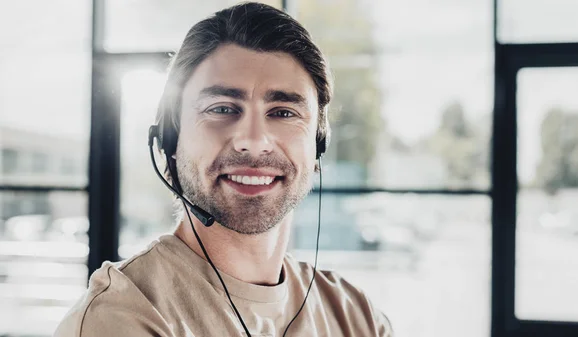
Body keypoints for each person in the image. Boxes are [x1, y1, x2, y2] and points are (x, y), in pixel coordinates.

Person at [55, 2, 393, 336]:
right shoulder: (120, 318)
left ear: (318, 143)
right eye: (222, 108)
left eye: (283, 112)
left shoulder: (357, 317)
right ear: (171, 139)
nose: (254, 140)